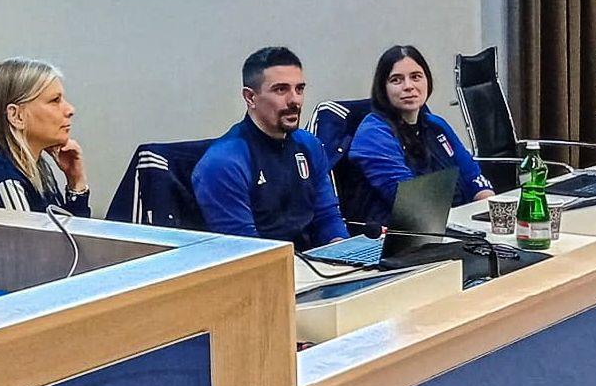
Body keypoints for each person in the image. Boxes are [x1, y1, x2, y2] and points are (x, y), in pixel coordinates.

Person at [191, 46, 347, 248]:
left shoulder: (310, 145)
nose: (295, 101)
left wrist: (342, 252)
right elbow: (245, 250)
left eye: (299, 89)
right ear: (250, 97)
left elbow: (327, 217)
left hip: (314, 261)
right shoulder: (223, 163)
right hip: (265, 263)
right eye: (281, 90)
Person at [349, 44, 494, 220]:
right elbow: (412, 203)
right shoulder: (373, 134)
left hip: (454, 222)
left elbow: (473, 177)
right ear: (382, 88)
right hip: (405, 231)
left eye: (416, 77)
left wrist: (493, 213)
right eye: (396, 80)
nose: (408, 86)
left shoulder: (436, 125)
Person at [0, 59, 91, 215]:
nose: (70, 110)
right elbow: (32, 233)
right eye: (55, 100)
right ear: (17, 116)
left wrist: (76, 183)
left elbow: (67, 229)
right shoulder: (2, 179)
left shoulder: (36, 167)